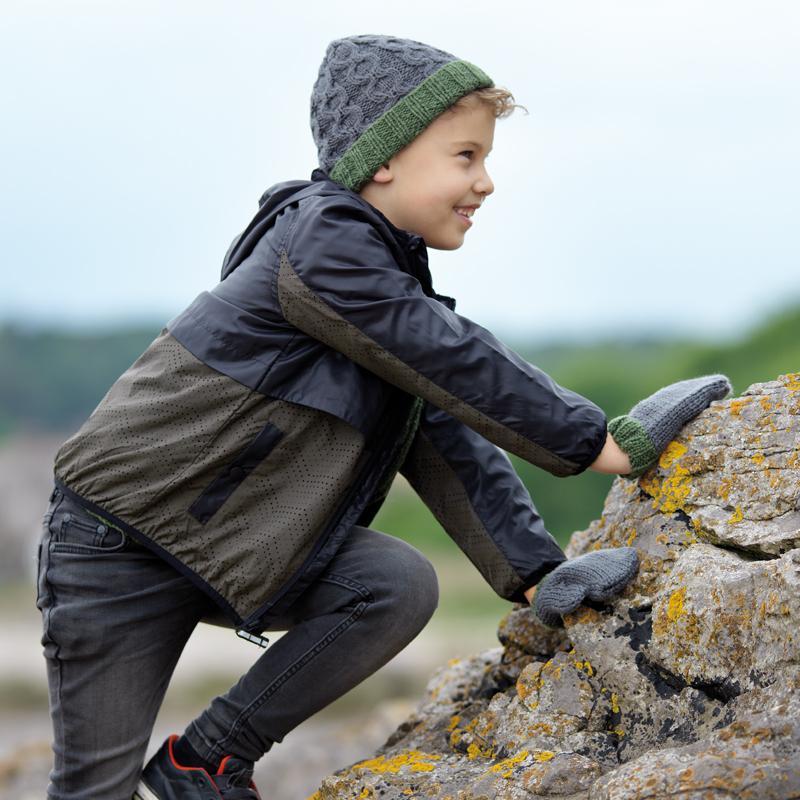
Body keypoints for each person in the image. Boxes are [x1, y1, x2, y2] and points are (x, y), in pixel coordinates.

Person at [36, 34, 730, 800]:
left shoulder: (380, 275)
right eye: (466, 156)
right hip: (119, 547)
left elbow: (441, 427)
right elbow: (457, 358)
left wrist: (534, 573)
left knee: (394, 583)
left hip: (239, 534)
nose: (487, 181)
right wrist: (601, 444)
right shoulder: (322, 244)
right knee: (93, 790)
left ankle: (203, 764)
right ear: (385, 158)